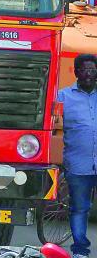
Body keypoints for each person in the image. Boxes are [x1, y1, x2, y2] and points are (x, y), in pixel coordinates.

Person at [58, 53, 97, 258]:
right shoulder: (63, 97)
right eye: (84, 69)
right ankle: (80, 251)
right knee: (80, 209)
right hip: (77, 164)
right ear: (76, 72)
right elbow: (51, 124)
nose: (89, 74)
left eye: (93, 69)